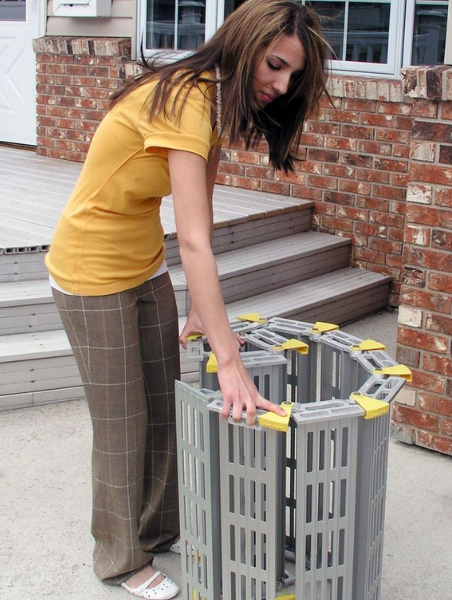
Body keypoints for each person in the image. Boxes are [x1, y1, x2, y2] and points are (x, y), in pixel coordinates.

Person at [45, 1, 330, 597]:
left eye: (292, 77)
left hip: (142, 262)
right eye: (275, 65)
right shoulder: (187, 97)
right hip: (89, 269)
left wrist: (204, 309)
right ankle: (121, 560)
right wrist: (228, 358)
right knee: (123, 424)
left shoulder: (216, 100)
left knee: (161, 404)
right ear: (245, 42)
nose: (280, 85)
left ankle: (158, 528)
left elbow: (198, 203)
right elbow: (196, 241)